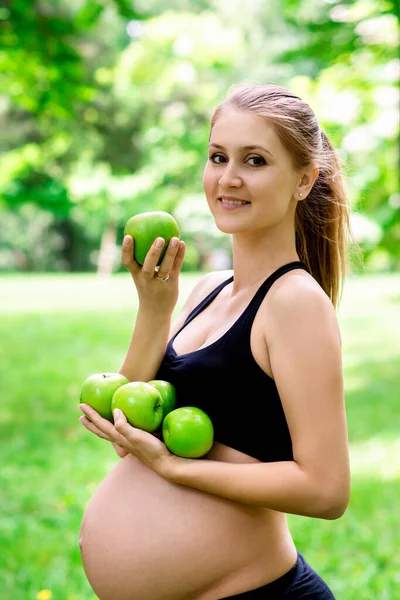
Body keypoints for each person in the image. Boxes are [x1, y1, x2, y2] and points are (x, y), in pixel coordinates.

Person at [79, 82, 351, 600]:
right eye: (217, 156)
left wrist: (175, 468)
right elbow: (129, 432)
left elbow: (326, 489)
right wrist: (155, 309)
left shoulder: (294, 302)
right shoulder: (208, 289)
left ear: (303, 179)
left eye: (255, 160)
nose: (228, 178)